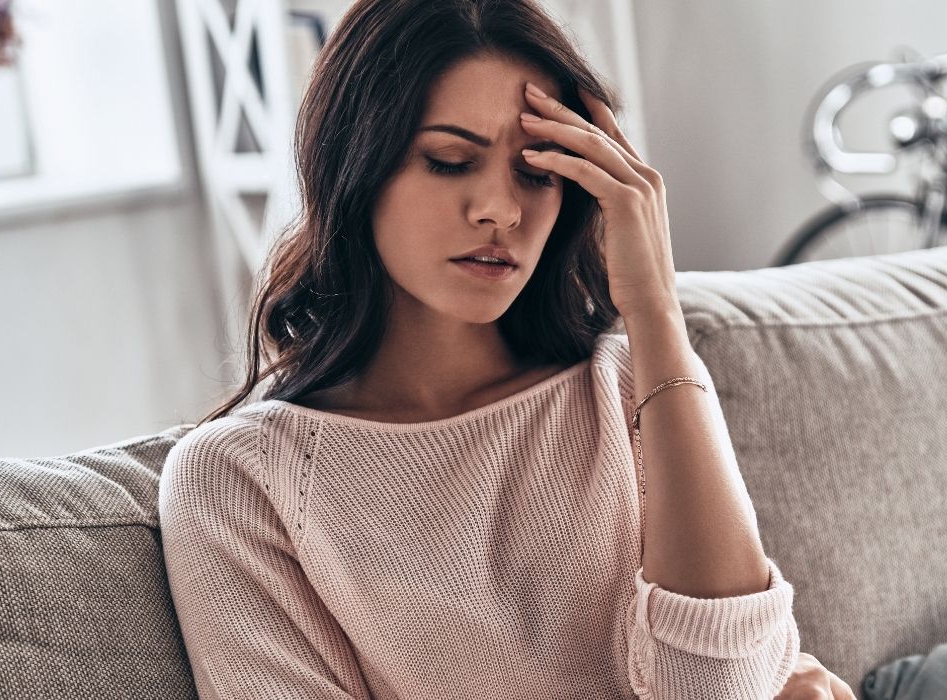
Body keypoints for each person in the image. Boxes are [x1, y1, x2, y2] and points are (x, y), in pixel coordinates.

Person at [157, 0, 853, 697]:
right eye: (449, 161)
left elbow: (720, 689)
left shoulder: (632, 386)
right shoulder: (242, 480)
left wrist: (657, 310)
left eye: (538, 172)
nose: (502, 209)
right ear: (354, 168)